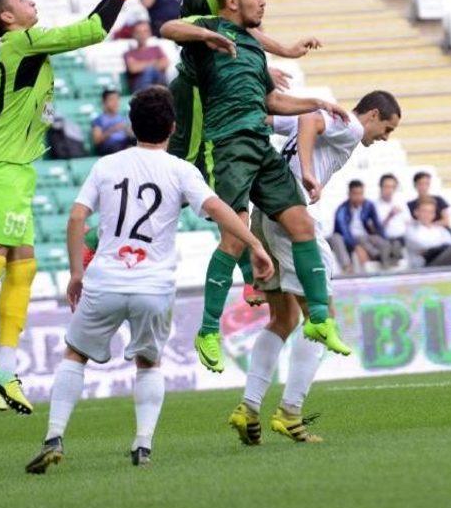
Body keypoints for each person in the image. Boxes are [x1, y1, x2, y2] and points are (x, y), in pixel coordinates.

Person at [25, 86, 275, 473]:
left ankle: (54, 436)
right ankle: (142, 445)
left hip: (105, 280)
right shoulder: (180, 170)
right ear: (173, 128)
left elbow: (76, 218)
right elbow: (218, 209)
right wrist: (256, 245)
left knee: (75, 354)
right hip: (153, 286)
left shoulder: (106, 165)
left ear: (130, 125)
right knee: (148, 361)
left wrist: (77, 273)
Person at [0, 0, 146, 415]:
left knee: (23, 265)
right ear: (8, 16)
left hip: (14, 170)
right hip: (1, 169)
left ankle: (4, 367)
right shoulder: (22, 41)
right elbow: (92, 31)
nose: (30, 0)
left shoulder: (21, 47)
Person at [161, 0, 352, 373]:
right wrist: (206, 35)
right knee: (234, 240)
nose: (263, 1)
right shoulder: (210, 28)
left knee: (301, 222)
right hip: (227, 146)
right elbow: (168, 28)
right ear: (232, 0)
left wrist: (317, 101)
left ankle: (319, 319)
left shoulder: (251, 44)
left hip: (259, 146)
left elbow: (273, 102)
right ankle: (208, 330)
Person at [168, 0, 321, 307]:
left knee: (216, 189)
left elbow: (241, 32)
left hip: (217, 94)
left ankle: (252, 275)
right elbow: (207, 31)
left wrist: (268, 59)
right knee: (182, 182)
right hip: (202, 97)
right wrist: (265, 55)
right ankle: (99, 238)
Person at [230, 90, 401, 446]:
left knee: (283, 319)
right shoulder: (351, 126)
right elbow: (311, 119)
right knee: (323, 317)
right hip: (292, 219)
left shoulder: (331, 121)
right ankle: (290, 413)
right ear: (372, 114)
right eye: (386, 128)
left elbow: (270, 119)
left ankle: (248, 408)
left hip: (266, 212)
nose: (385, 138)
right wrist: (308, 172)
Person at [330, 179, 399, 272]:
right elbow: (344, 232)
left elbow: (377, 225)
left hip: (365, 237)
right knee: (339, 237)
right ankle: (351, 266)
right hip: (349, 240)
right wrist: (356, 246)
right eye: (355, 194)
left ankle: (387, 258)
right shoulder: (342, 210)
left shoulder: (368, 205)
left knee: (381, 241)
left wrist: (383, 238)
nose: (359, 197)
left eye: (361, 193)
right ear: (349, 194)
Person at [405, 197, 451, 268]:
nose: (427, 215)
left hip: (442, 260)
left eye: (431, 212)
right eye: (424, 211)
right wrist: (441, 246)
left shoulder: (440, 229)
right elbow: (422, 244)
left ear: (434, 214)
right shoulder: (411, 229)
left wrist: (439, 247)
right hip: (424, 266)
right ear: (416, 212)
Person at [123, 20, 169, 92]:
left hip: (158, 83)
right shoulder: (129, 53)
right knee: (150, 70)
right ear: (133, 34)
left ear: (150, 33)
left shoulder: (156, 49)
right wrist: (154, 62)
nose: (142, 34)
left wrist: (141, 64)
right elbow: (133, 68)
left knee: (152, 71)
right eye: (139, 32)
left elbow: (165, 64)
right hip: (139, 87)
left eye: (145, 31)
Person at [374, 173, 409, 259]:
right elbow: (376, 229)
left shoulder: (401, 202)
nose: (390, 190)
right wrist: (390, 216)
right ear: (381, 187)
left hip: (402, 237)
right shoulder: (374, 206)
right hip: (385, 239)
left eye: (393, 187)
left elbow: (409, 222)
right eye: (387, 187)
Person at [91, 88, 133, 156]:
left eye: (117, 99)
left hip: (124, 143)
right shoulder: (98, 120)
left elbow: (130, 134)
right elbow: (97, 140)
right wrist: (113, 129)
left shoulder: (123, 118)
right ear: (104, 102)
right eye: (112, 99)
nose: (115, 102)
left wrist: (128, 131)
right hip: (110, 147)